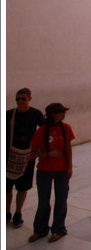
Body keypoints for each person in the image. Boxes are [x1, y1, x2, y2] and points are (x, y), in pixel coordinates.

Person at [28, 102, 74, 243]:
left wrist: (70, 167)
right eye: (62, 112)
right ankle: (40, 230)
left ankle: (59, 229)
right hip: (44, 172)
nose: (64, 114)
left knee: (61, 201)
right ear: (54, 114)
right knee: (43, 202)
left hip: (61, 171)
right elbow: (32, 154)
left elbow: (68, 149)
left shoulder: (66, 128)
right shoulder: (41, 131)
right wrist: (48, 154)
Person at [6, 88, 45, 228]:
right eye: (18, 99)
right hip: (8, 157)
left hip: (27, 157)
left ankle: (18, 213)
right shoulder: (9, 114)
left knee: (22, 188)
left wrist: (38, 151)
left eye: (23, 98)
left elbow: (44, 131)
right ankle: (6, 213)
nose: (20, 101)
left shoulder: (35, 114)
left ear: (29, 98)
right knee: (7, 188)